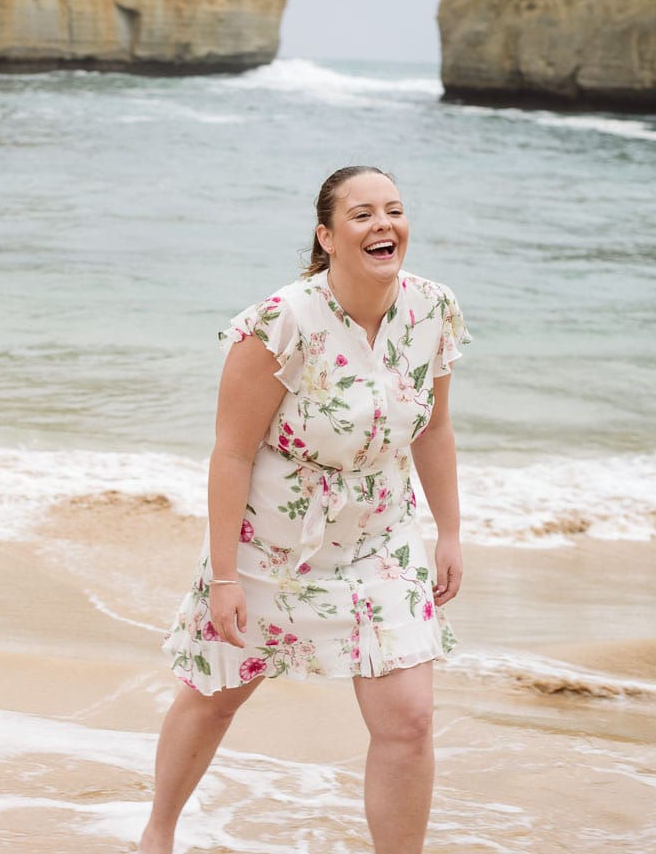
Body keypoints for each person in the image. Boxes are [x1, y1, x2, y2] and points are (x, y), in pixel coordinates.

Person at [140, 165, 471, 854]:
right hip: (275, 539)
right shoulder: (281, 321)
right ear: (327, 235)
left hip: (383, 532)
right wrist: (225, 577)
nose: (385, 223)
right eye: (362, 214)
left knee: (409, 721)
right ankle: (158, 834)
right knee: (217, 693)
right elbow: (231, 453)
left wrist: (450, 530)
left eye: (395, 210)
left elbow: (434, 429)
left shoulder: (432, 309)